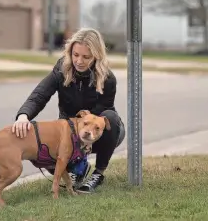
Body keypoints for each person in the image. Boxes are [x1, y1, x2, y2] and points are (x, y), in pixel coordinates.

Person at [12, 27, 125, 194]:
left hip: (100, 134)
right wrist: (23, 116)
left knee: (111, 117)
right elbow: (40, 94)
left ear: (96, 56)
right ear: (69, 52)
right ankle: (77, 169)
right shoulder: (62, 69)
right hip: (70, 133)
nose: (79, 61)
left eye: (86, 57)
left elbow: (100, 115)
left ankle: (98, 174)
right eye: (75, 55)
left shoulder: (107, 78)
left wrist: (83, 143)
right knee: (42, 147)